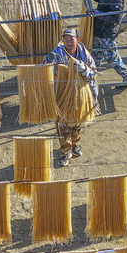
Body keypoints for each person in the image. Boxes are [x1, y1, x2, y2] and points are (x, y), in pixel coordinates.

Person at [43, 27, 98, 167]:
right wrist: (48, 62)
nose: (68, 41)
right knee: (62, 125)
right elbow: (43, 69)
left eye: (71, 38)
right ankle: (65, 151)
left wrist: (84, 69)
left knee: (77, 122)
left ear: (77, 40)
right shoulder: (57, 54)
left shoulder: (85, 55)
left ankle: (75, 144)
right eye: (65, 39)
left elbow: (94, 75)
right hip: (61, 93)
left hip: (80, 94)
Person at [90, 0, 127, 90]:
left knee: (112, 58)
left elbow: (115, 18)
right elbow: (104, 1)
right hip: (100, 29)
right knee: (95, 55)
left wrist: (99, 14)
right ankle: (91, 79)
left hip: (107, 32)